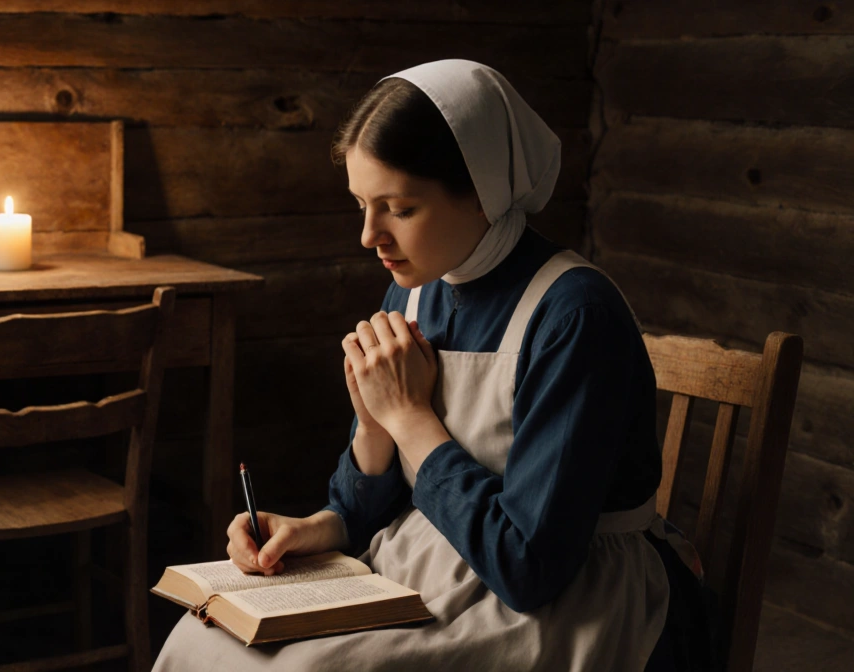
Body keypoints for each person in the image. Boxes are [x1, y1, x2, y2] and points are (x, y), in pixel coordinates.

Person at [153, 59, 715, 671]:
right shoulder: (415, 289)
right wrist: (324, 521)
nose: (370, 236)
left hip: (571, 599)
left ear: (482, 192)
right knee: (200, 639)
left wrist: (409, 416)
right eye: (362, 204)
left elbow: (529, 567)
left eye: (399, 207)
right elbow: (373, 495)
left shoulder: (576, 315)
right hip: (438, 558)